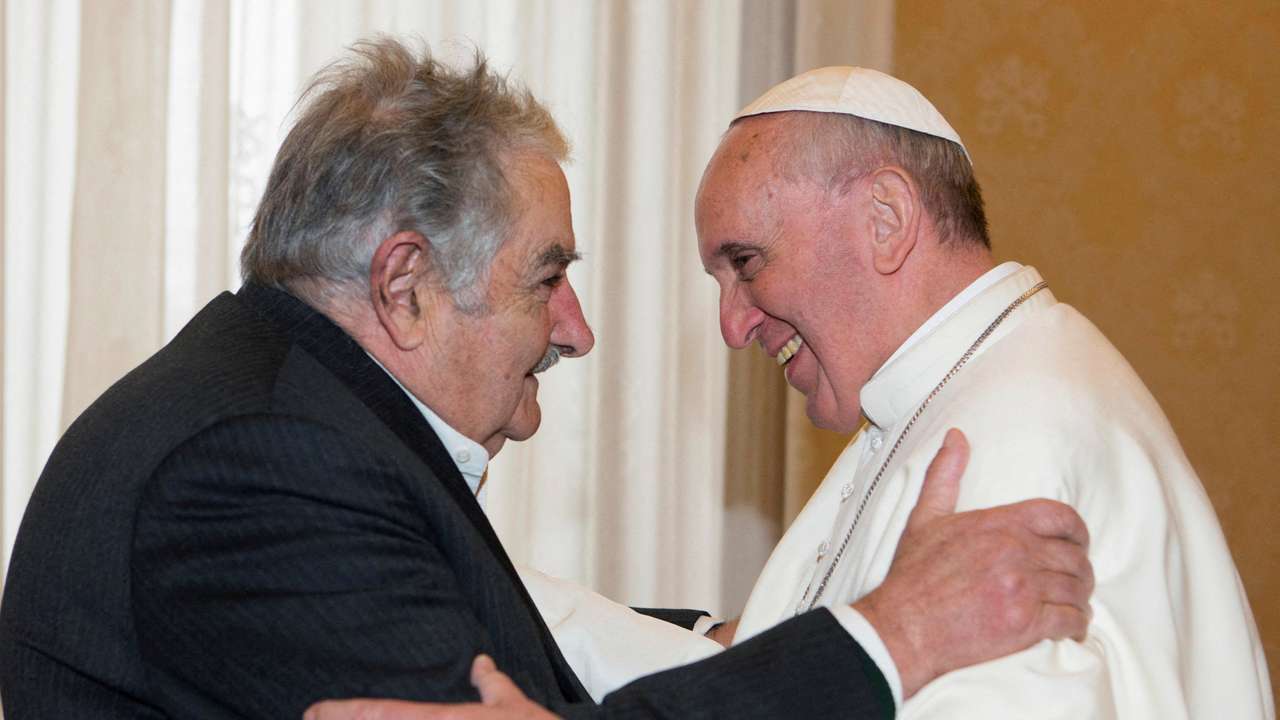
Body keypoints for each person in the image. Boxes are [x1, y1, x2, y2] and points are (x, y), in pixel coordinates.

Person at [0, 42, 1092, 719]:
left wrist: (728, 644)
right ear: (406, 285)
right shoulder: (255, 464)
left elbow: (483, 640)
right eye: (547, 276)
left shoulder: (286, 411)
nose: (574, 330)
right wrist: (889, 636)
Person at [310, 65, 1274, 720]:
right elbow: (771, 673)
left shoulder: (1014, 438)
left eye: (746, 262)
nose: (734, 324)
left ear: (887, 219)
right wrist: (467, 580)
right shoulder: (950, 393)